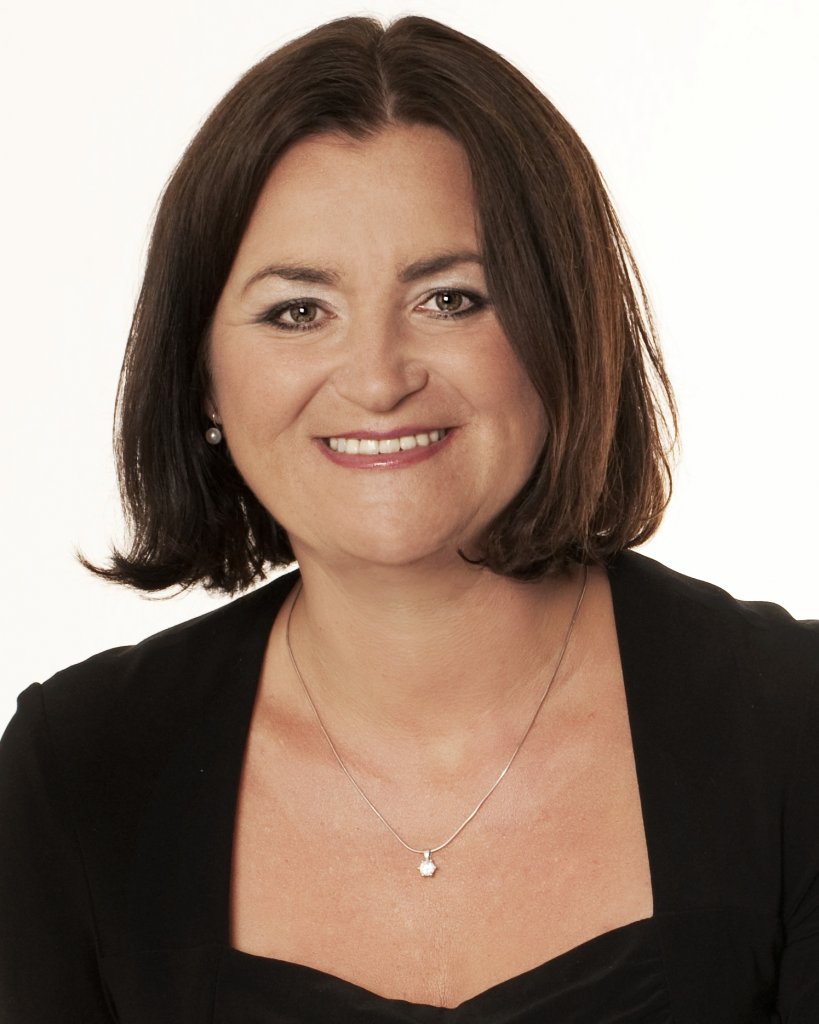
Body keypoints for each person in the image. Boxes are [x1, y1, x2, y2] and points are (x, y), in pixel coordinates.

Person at [1, 14, 817, 1022]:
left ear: (563, 327)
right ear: (202, 376)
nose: (379, 379)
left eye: (451, 299)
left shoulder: (796, 727)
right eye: (299, 311)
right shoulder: (80, 772)